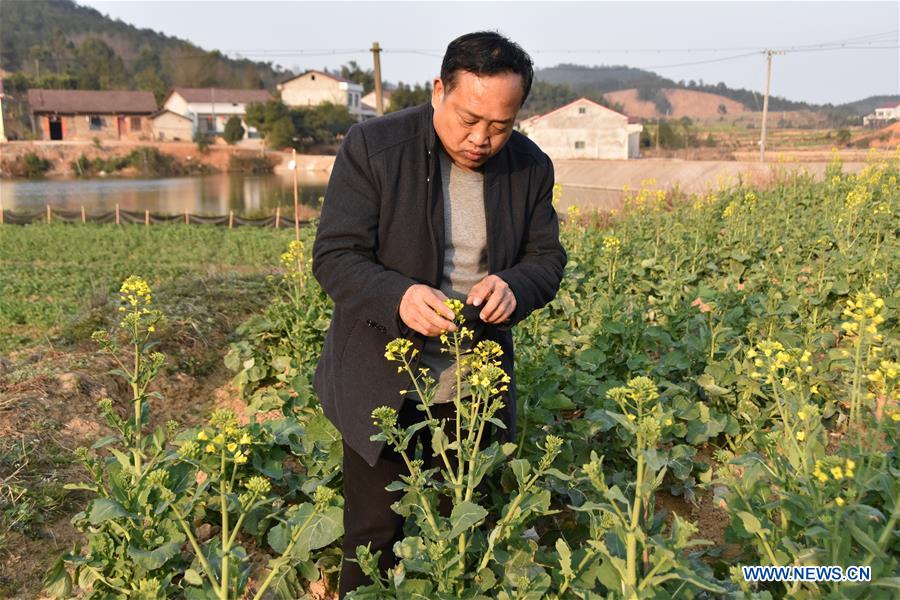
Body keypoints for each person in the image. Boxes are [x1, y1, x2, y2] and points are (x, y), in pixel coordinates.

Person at [311, 30, 567, 598]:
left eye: (500, 126)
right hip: (380, 378)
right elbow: (333, 255)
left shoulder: (529, 168)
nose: (481, 139)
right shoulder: (373, 148)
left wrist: (515, 287)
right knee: (374, 534)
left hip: (473, 386)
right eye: (469, 119)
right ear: (437, 91)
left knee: (458, 526)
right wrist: (396, 295)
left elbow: (546, 258)